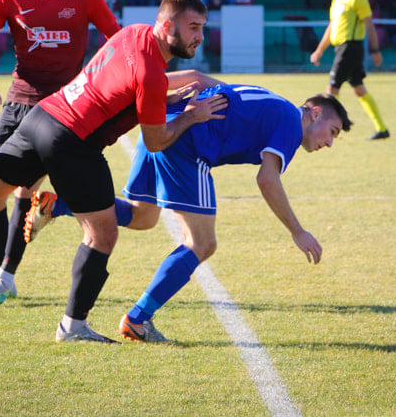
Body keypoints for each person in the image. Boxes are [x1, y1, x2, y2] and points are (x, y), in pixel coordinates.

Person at [0, 0, 228, 343]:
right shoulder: (151, 71)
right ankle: (72, 327)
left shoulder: (133, 33)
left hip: (45, 115)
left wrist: (161, 97)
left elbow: (122, 87)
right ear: (166, 26)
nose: (200, 36)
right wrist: (191, 116)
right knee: (102, 234)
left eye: (202, 28)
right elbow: (156, 140)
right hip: (73, 140)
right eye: (194, 27)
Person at [31, 83, 352, 342]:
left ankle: (57, 204)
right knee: (202, 243)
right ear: (314, 112)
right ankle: (138, 320)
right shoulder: (290, 123)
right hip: (185, 146)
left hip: (159, 131)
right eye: (333, 132)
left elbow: (199, 78)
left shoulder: (273, 102)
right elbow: (267, 179)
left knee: (143, 217)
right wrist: (298, 231)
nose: (330, 143)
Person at [0, 0, 122, 306]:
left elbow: (117, 41)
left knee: (25, 187)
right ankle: (5, 268)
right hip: (19, 101)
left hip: (65, 110)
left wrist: (100, 77)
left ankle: (5, 276)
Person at [310, 0, 389, 140]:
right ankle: (382, 128)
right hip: (342, 48)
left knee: (331, 89)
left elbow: (369, 24)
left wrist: (375, 49)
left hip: (350, 47)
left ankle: (324, 128)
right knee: (359, 89)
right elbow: (332, 27)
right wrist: (319, 50)